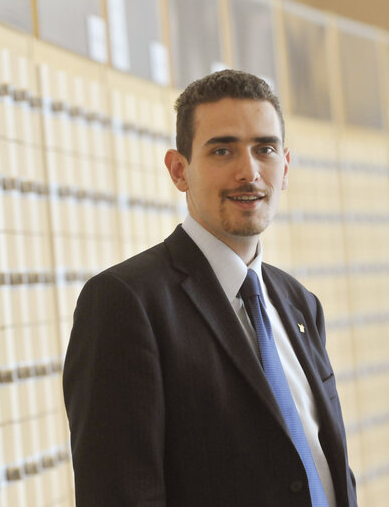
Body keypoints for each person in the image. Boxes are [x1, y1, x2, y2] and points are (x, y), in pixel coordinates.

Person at [62, 70, 357, 507]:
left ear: (285, 167)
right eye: (223, 150)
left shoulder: (299, 304)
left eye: (265, 149)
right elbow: (120, 493)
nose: (249, 172)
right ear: (179, 170)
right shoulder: (126, 302)